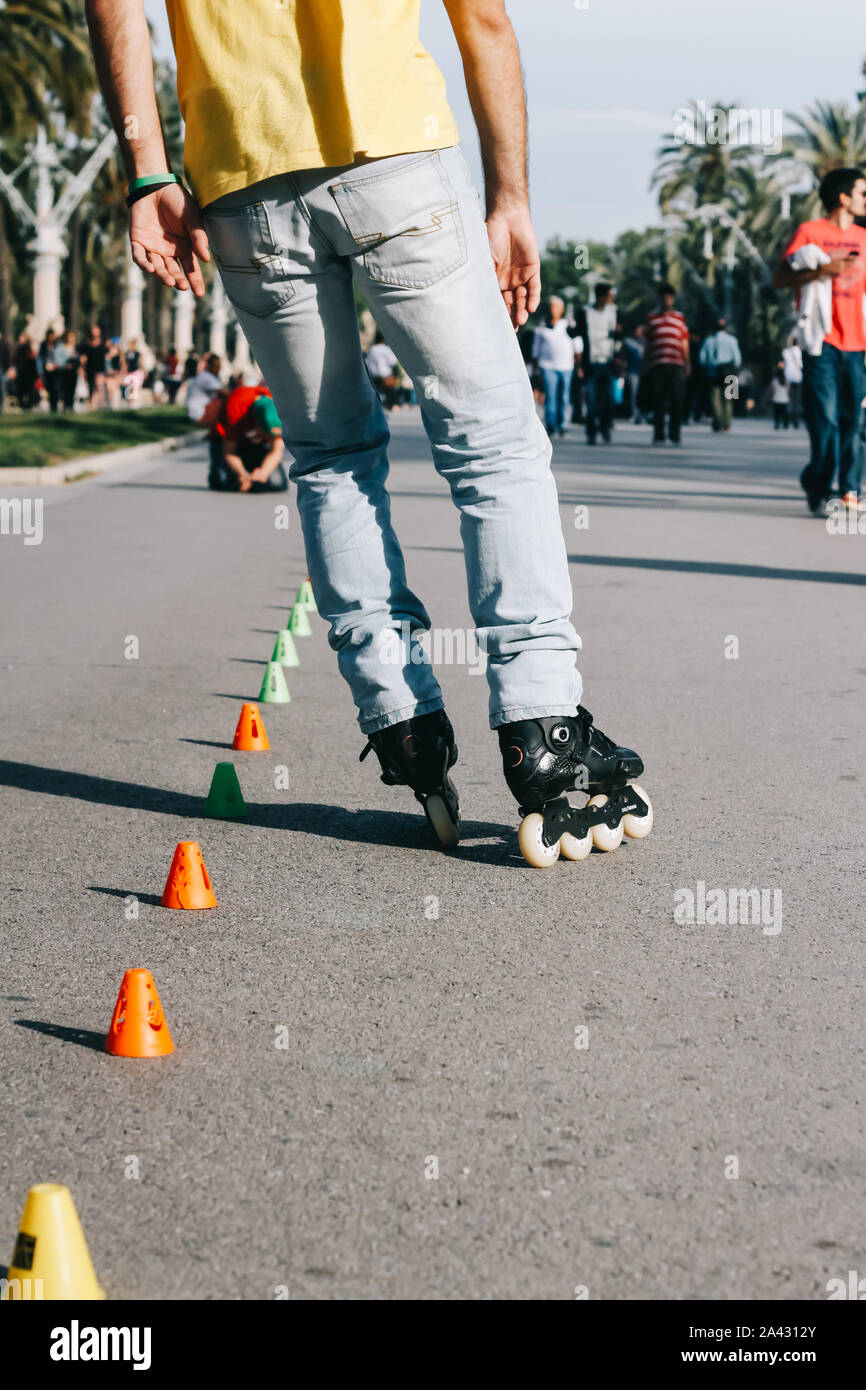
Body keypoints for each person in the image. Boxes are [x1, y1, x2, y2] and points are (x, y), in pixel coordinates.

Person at [85, 0, 652, 866]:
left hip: (243, 181)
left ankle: (402, 723)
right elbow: (486, 23)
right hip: (392, 156)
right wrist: (511, 199)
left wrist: (148, 171)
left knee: (330, 457)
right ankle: (542, 724)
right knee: (492, 446)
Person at [773, 166, 866, 513]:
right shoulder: (810, 232)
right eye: (862, 193)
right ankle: (818, 479)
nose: (865, 200)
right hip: (820, 342)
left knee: (854, 419)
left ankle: (848, 490)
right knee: (825, 419)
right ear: (844, 197)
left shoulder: (864, 238)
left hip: (857, 344)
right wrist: (821, 271)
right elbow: (780, 278)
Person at [208, 382, 288, 492]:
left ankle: (252, 478)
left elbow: (277, 450)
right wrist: (242, 474)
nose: (270, 439)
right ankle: (237, 478)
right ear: (257, 423)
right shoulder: (236, 408)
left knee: (277, 483)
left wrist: (262, 473)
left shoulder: (276, 407)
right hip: (224, 441)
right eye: (267, 434)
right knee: (221, 480)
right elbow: (229, 452)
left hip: (255, 445)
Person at [642, 285, 690, 446]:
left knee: (677, 399)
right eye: (663, 297)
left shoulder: (679, 318)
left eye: (669, 297)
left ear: (673, 299)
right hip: (657, 364)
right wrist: (645, 364)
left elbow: (684, 342)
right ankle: (659, 433)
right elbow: (647, 343)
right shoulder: (651, 318)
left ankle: (675, 433)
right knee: (658, 400)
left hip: (676, 364)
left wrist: (687, 363)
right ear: (659, 299)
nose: (666, 300)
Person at [575, 282, 619, 444]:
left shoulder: (613, 311)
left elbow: (618, 334)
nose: (611, 299)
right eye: (609, 296)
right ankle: (592, 431)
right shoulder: (585, 312)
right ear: (601, 297)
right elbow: (577, 331)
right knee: (592, 400)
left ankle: (605, 427)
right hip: (591, 363)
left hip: (607, 362)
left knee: (609, 398)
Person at [530, 294, 576, 437]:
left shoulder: (568, 324)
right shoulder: (542, 327)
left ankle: (563, 425)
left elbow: (577, 344)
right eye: (550, 307)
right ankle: (551, 425)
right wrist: (535, 369)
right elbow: (535, 350)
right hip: (547, 365)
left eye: (555, 307)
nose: (553, 310)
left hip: (566, 366)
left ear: (561, 309)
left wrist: (579, 365)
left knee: (564, 396)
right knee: (550, 395)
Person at [698, 317, 742, 432]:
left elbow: (702, 359)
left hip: (714, 372)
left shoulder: (708, 341)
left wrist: (708, 368)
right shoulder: (732, 340)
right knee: (729, 398)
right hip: (730, 372)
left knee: (715, 399)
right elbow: (738, 359)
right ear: (726, 328)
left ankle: (717, 422)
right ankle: (727, 424)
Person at [365, 331, 400, 411]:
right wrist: (396, 375)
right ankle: (390, 406)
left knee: (376, 393)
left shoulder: (371, 349)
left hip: (374, 375)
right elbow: (393, 362)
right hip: (386, 375)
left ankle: (378, 407)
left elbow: (367, 362)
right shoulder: (386, 349)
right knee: (390, 392)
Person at [81, 325, 108, 408]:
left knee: (99, 386)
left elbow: (107, 355)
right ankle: (92, 404)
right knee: (91, 387)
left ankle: (100, 404)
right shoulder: (86, 344)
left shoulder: (103, 343)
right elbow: (83, 358)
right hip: (90, 368)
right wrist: (83, 369)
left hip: (100, 369)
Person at [622, 325, 645, 422]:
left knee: (643, 394)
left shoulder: (646, 341)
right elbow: (624, 356)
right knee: (634, 393)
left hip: (643, 370)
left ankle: (643, 414)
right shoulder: (629, 342)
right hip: (633, 370)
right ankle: (634, 413)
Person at [38, 328, 63, 412]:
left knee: (55, 389)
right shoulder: (43, 345)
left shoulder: (57, 345)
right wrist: (40, 371)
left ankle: (54, 407)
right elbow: (40, 359)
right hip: (46, 371)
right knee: (48, 388)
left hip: (56, 370)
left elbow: (60, 357)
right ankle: (51, 407)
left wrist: (55, 365)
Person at [781, 337, 803, 428]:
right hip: (798, 377)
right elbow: (801, 365)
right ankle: (796, 422)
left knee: (787, 400)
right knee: (796, 401)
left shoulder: (785, 352)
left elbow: (783, 364)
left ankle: (786, 421)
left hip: (787, 377)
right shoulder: (800, 352)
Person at [13, 332, 38, 410]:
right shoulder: (18, 349)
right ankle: (23, 405)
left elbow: (32, 362)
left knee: (28, 390)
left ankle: (28, 405)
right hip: (21, 373)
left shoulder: (28, 349)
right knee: (21, 390)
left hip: (27, 373)